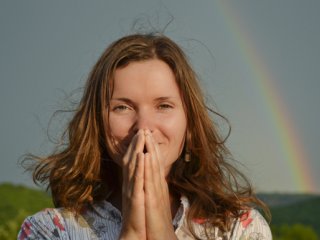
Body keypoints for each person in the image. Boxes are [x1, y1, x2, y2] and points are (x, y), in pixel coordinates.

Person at [18, 33, 272, 240]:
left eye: (163, 106)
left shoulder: (240, 229)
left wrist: (162, 232)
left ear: (190, 124)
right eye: (122, 107)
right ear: (96, 122)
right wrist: (133, 232)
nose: (144, 127)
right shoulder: (51, 230)